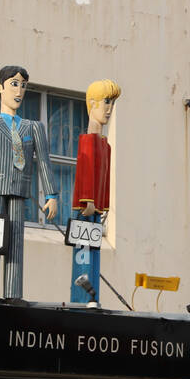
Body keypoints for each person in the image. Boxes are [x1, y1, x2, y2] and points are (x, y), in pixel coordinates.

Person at [0, 64, 59, 300]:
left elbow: (44, 162)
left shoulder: (33, 127)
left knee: (16, 242)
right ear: (0, 87)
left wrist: (51, 195)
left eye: (23, 85)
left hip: (20, 190)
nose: (19, 91)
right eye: (13, 84)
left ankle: (13, 293)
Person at [70, 78, 120, 306]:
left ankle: (92, 299)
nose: (109, 109)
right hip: (86, 208)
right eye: (106, 102)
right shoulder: (89, 140)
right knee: (85, 257)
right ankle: (83, 300)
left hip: (97, 209)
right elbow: (86, 169)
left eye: (112, 103)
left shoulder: (105, 144)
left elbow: (105, 176)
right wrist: (87, 199)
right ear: (92, 103)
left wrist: (104, 203)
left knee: (95, 251)